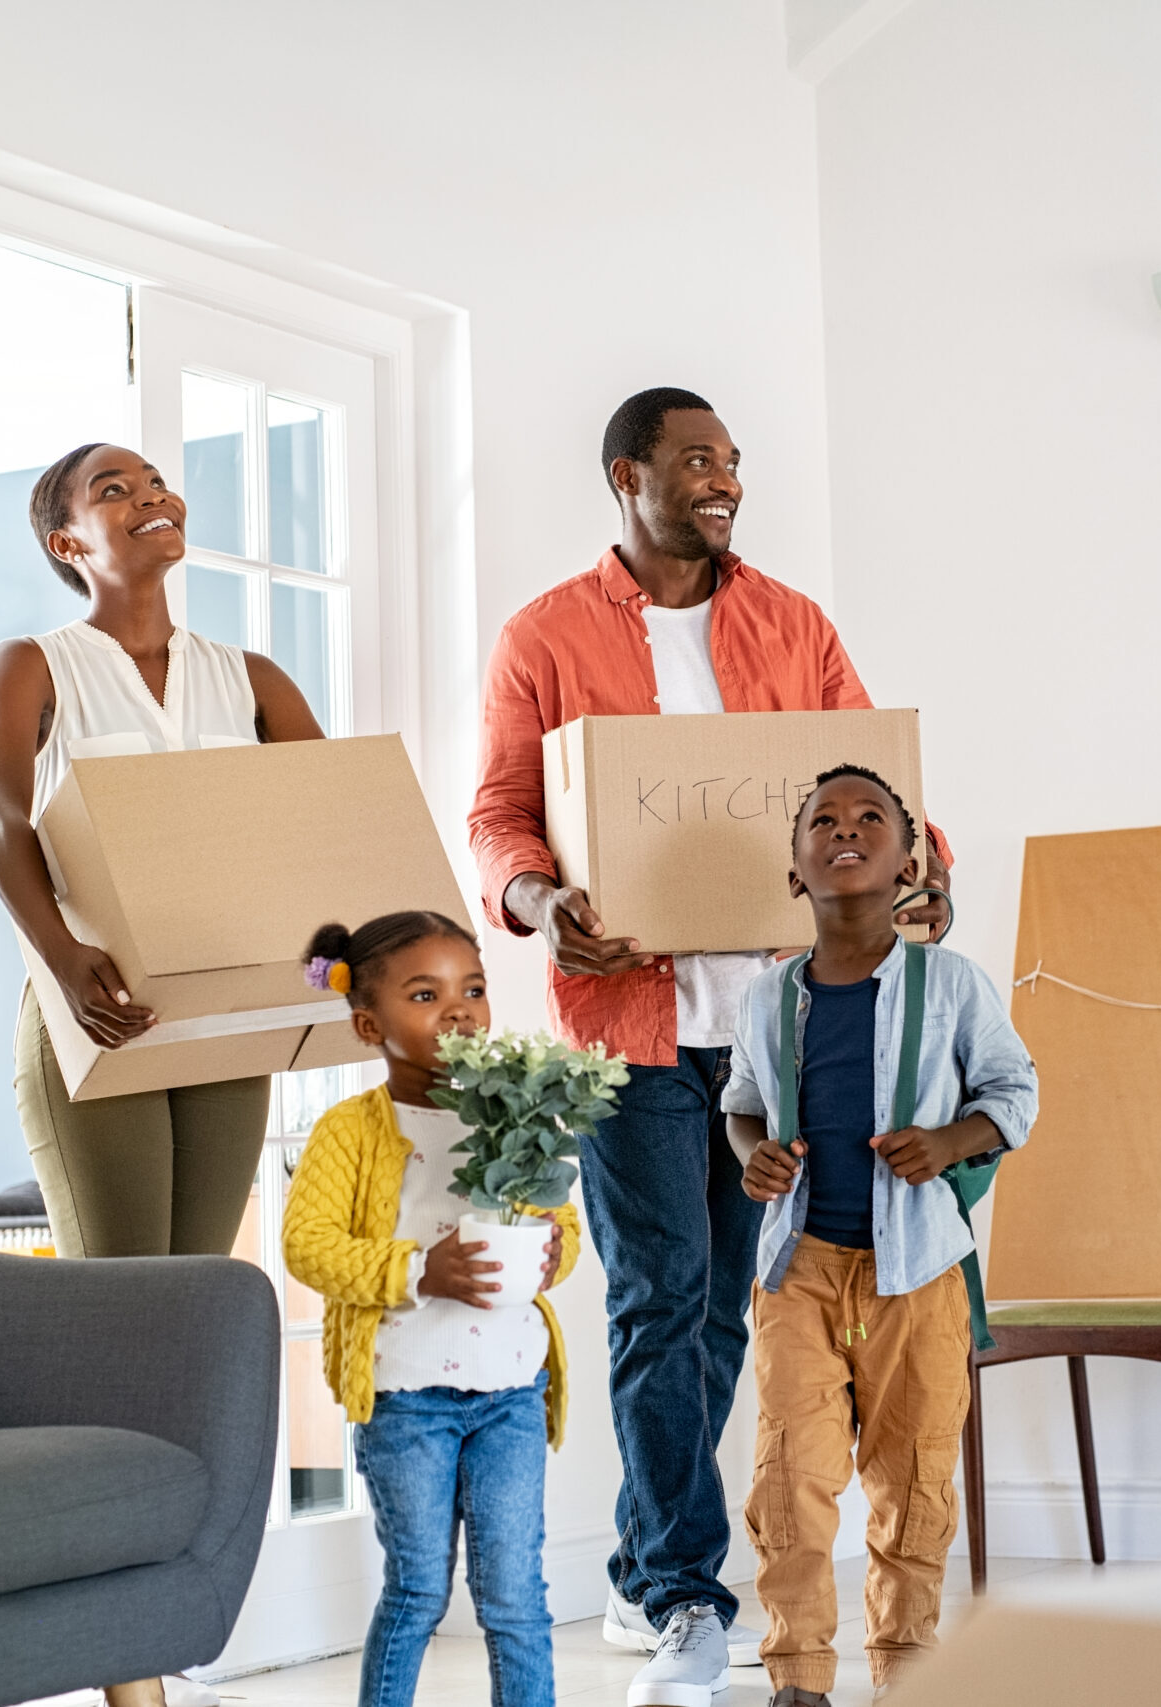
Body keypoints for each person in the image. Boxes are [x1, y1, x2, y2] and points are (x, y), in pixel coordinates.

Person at [467, 387, 953, 1707]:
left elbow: (878, 786)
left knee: (734, 1290)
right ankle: (683, 1584)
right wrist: (539, 903)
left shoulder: (790, 621)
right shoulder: (546, 634)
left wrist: (925, 869)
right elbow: (502, 815)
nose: (722, 479)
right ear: (627, 475)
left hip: (779, 1031)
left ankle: (637, 1566)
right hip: (628, 1030)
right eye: (695, 460)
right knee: (656, 1289)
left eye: (731, 460)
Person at [723, 766, 1037, 1705]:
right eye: (823, 820)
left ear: (913, 863)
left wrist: (950, 1139)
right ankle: (800, 1677)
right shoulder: (766, 997)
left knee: (913, 1477)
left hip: (919, 1274)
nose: (845, 830)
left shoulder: (952, 985)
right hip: (799, 1270)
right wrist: (754, 1154)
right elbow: (739, 1103)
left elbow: (1014, 1092)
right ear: (794, 869)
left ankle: (907, 1670)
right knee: (791, 1477)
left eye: (871, 819)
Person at [0, 442, 326, 1264]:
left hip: (226, 1016)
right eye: (115, 490)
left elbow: (329, 826)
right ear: (68, 542)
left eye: (157, 483)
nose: (152, 497)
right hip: (96, 1007)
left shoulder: (252, 679)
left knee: (197, 1293)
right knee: (123, 1299)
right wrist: (62, 958)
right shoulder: (35, 665)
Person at [281, 911, 580, 1707]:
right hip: (406, 1400)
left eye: (472, 989)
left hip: (512, 1394)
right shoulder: (349, 1131)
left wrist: (555, 1249)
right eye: (426, 993)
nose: (458, 1010)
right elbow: (308, 1245)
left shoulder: (514, 1112)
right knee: (418, 1589)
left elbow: (564, 1224)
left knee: (516, 1595)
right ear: (368, 1024)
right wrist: (422, 1269)